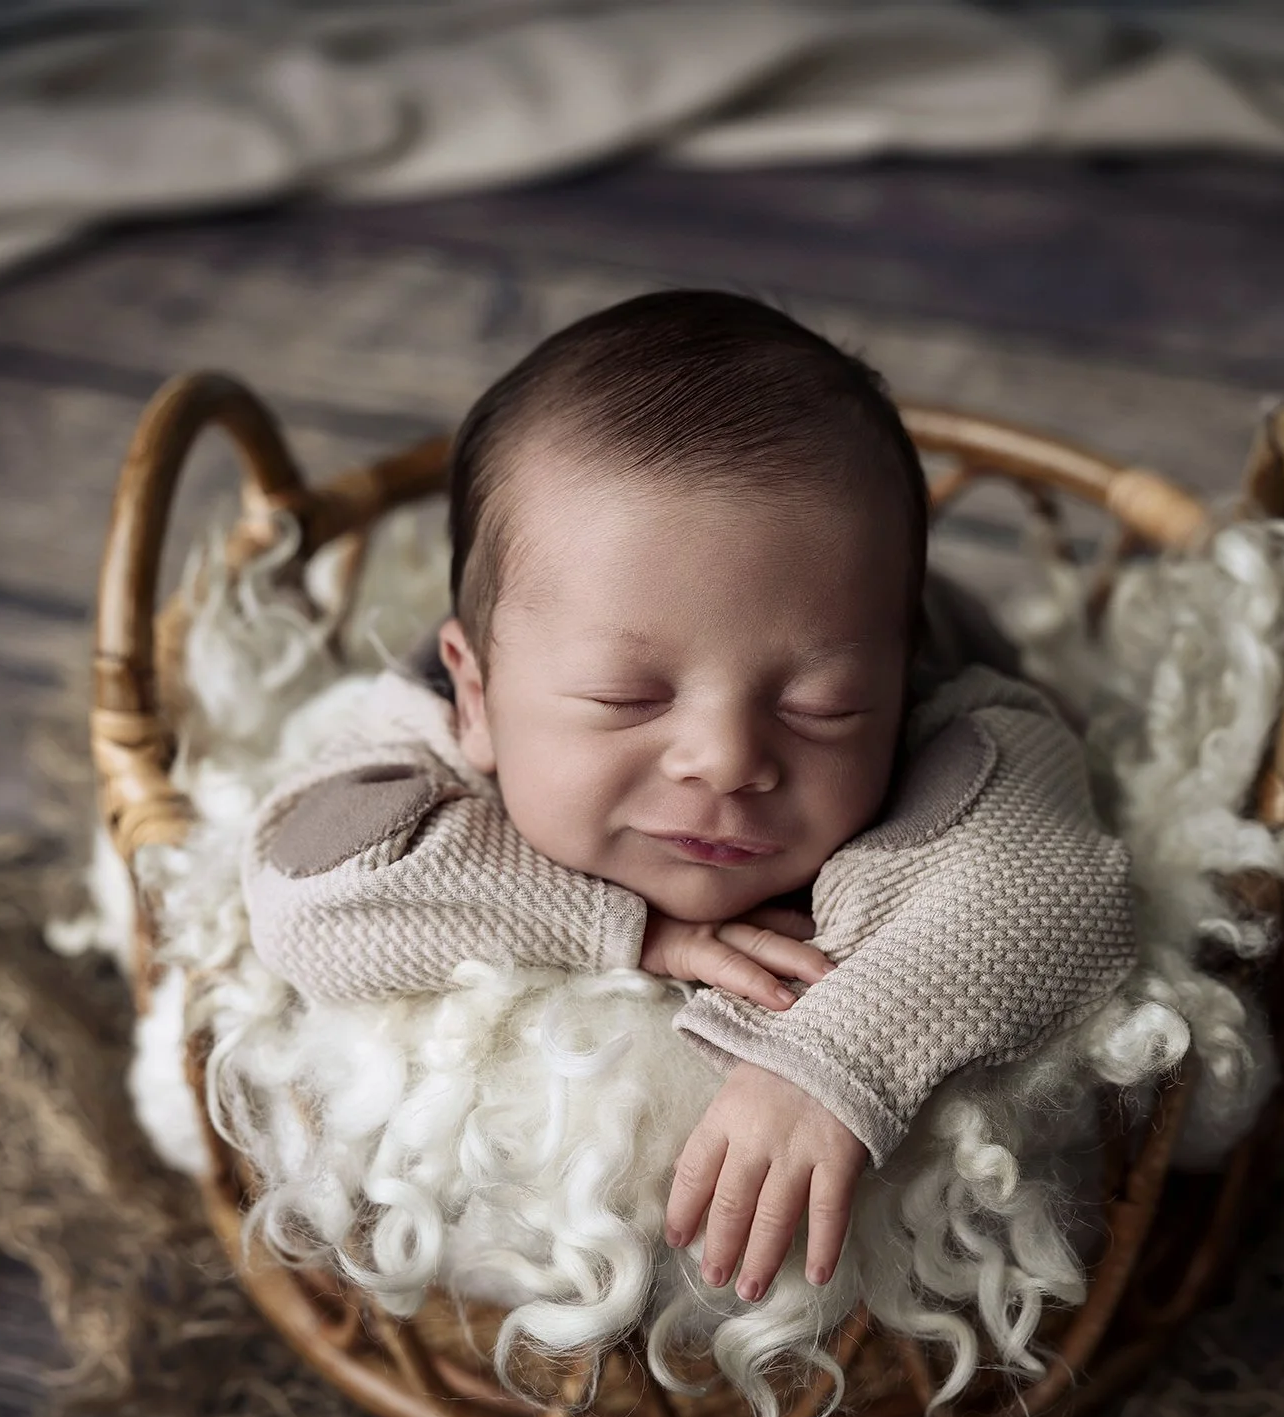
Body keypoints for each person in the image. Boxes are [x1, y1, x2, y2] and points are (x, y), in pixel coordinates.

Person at [242, 290, 1135, 1309]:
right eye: (627, 698)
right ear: (477, 694)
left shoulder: (950, 724)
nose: (724, 759)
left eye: (821, 708)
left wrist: (836, 1059)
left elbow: (1059, 892)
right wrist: (632, 928)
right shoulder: (421, 732)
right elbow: (303, 894)